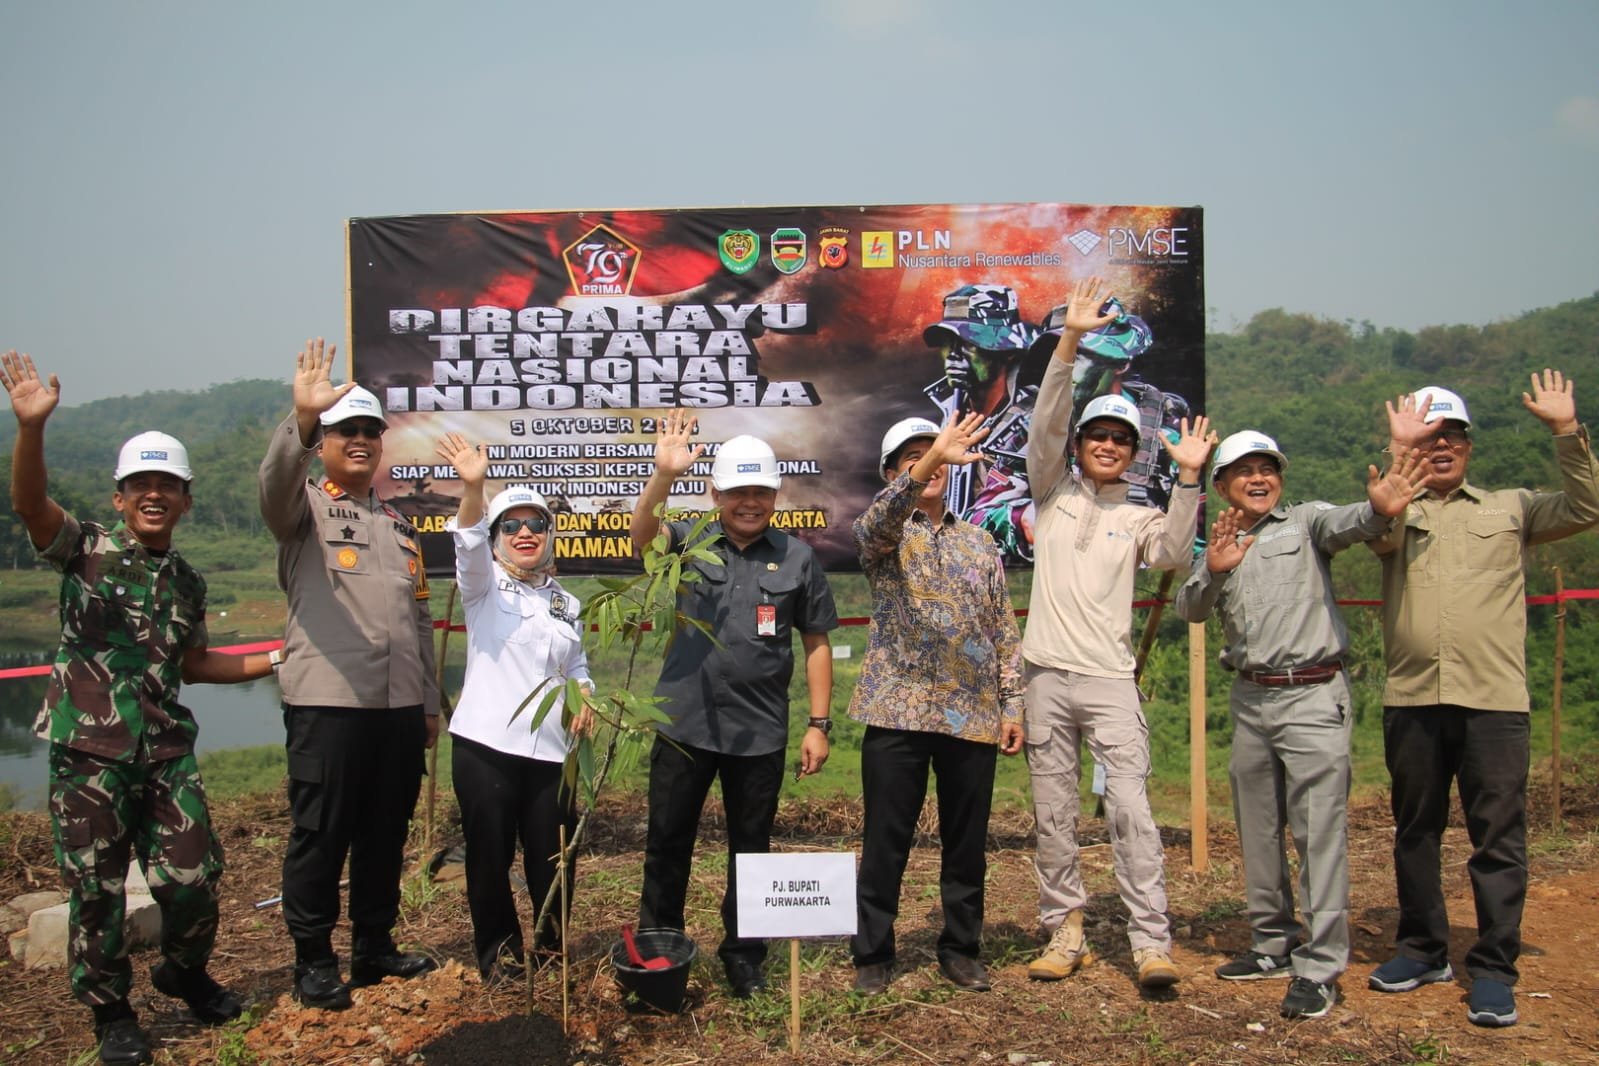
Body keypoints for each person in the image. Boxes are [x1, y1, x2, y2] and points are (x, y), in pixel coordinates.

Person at [3, 350, 274, 1066]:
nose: (155, 495)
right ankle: (112, 1011)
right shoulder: (85, 549)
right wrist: (30, 428)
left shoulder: (187, 580)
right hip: (89, 754)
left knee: (193, 877)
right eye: (141, 486)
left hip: (164, 751)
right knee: (95, 890)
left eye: (168, 486)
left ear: (186, 500)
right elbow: (30, 505)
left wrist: (282, 659)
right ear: (120, 498)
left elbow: (196, 664)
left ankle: (183, 972)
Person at [1366, 373, 1599, 1028]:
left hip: (1493, 701)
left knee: (1497, 836)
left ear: (1469, 447)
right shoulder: (1395, 509)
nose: (1441, 447)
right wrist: (1397, 453)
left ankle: (1494, 969)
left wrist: (1565, 431)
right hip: (1413, 696)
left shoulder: (1511, 508)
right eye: (1429, 438)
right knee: (1415, 830)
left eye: (1453, 437)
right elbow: (1376, 530)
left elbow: (1587, 507)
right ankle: (1421, 950)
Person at [1174, 431, 1425, 1019]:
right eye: (1244, 471)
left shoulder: (1307, 523)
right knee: (1258, 829)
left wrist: (1380, 509)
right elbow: (1191, 607)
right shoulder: (1222, 542)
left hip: (1312, 696)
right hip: (1250, 699)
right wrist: (1214, 570)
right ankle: (1273, 944)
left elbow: (1354, 522)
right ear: (1222, 486)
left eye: (1268, 469)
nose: (1258, 479)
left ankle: (1321, 965)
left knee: (1319, 835)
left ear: (1280, 479)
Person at [1020, 277, 1215, 990]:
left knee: (1130, 810)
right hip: (1044, 676)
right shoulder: (1050, 492)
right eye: (1097, 435)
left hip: (1108, 681)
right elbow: (1044, 424)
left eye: (1120, 439)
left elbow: (1173, 553)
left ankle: (1149, 941)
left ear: (1133, 453)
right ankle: (1064, 930)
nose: (1108, 445)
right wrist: (1069, 341)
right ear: (1079, 445)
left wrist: (1188, 481)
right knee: (1053, 814)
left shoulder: (1139, 516)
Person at [629, 411, 839, 997]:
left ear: (775, 495)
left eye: (761, 492)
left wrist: (819, 724)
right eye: (738, 491)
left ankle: (744, 956)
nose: (750, 502)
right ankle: (658, 953)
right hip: (684, 725)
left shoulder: (796, 557)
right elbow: (641, 538)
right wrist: (663, 476)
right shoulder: (687, 542)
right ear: (715, 493)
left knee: (752, 850)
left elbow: (817, 642)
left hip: (759, 731)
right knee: (667, 843)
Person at [258, 338, 439, 1011]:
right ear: (325, 443)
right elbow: (274, 486)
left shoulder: (398, 525)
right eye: (345, 431)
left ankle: (374, 946)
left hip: (397, 709)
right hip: (329, 705)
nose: (360, 440)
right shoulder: (303, 509)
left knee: (384, 831)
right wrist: (303, 420)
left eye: (370, 431)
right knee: (321, 834)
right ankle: (312, 959)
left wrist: (428, 702)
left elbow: (417, 620)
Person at [847, 413, 1025, 996]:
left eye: (939, 456)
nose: (932, 464)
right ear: (892, 472)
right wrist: (931, 458)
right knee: (886, 841)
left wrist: (1012, 704)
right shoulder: (884, 534)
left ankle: (961, 948)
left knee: (966, 842)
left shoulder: (979, 542)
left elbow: (1002, 627)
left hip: (970, 713)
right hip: (897, 710)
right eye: (915, 457)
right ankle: (873, 952)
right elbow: (876, 522)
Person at [434, 433, 594, 983]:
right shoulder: (484, 587)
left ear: (550, 534)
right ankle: (500, 957)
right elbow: (466, 542)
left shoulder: (566, 602)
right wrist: (473, 487)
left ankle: (550, 950)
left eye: (536, 525)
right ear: (497, 537)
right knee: (489, 857)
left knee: (555, 858)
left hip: (553, 752)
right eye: (511, 526)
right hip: (487, 748)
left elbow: (575, 664)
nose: (525, 533)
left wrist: (584, 693)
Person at [921, 283, 1040, 525]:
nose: (953, 354)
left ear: (1006, 351)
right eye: (947, 342)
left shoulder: (1035, 418)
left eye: (969, 342)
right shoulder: (950, 411)